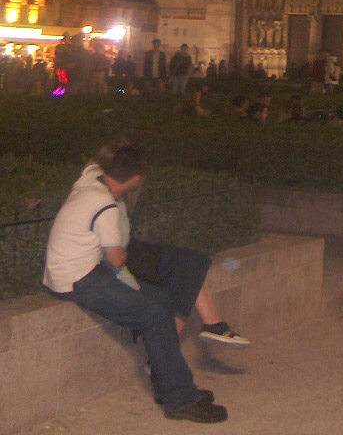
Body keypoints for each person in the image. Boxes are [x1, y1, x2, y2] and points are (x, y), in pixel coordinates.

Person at [42, 143, 229, 422]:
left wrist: (119, 150)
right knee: (153, 315)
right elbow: (117, 260)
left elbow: (94, 160)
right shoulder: (105, 205)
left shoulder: (88, 180)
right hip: (77, 280)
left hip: (74, 271)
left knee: (161, 300)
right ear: (136, 180)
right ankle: (180, 400)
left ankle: (169, 387)